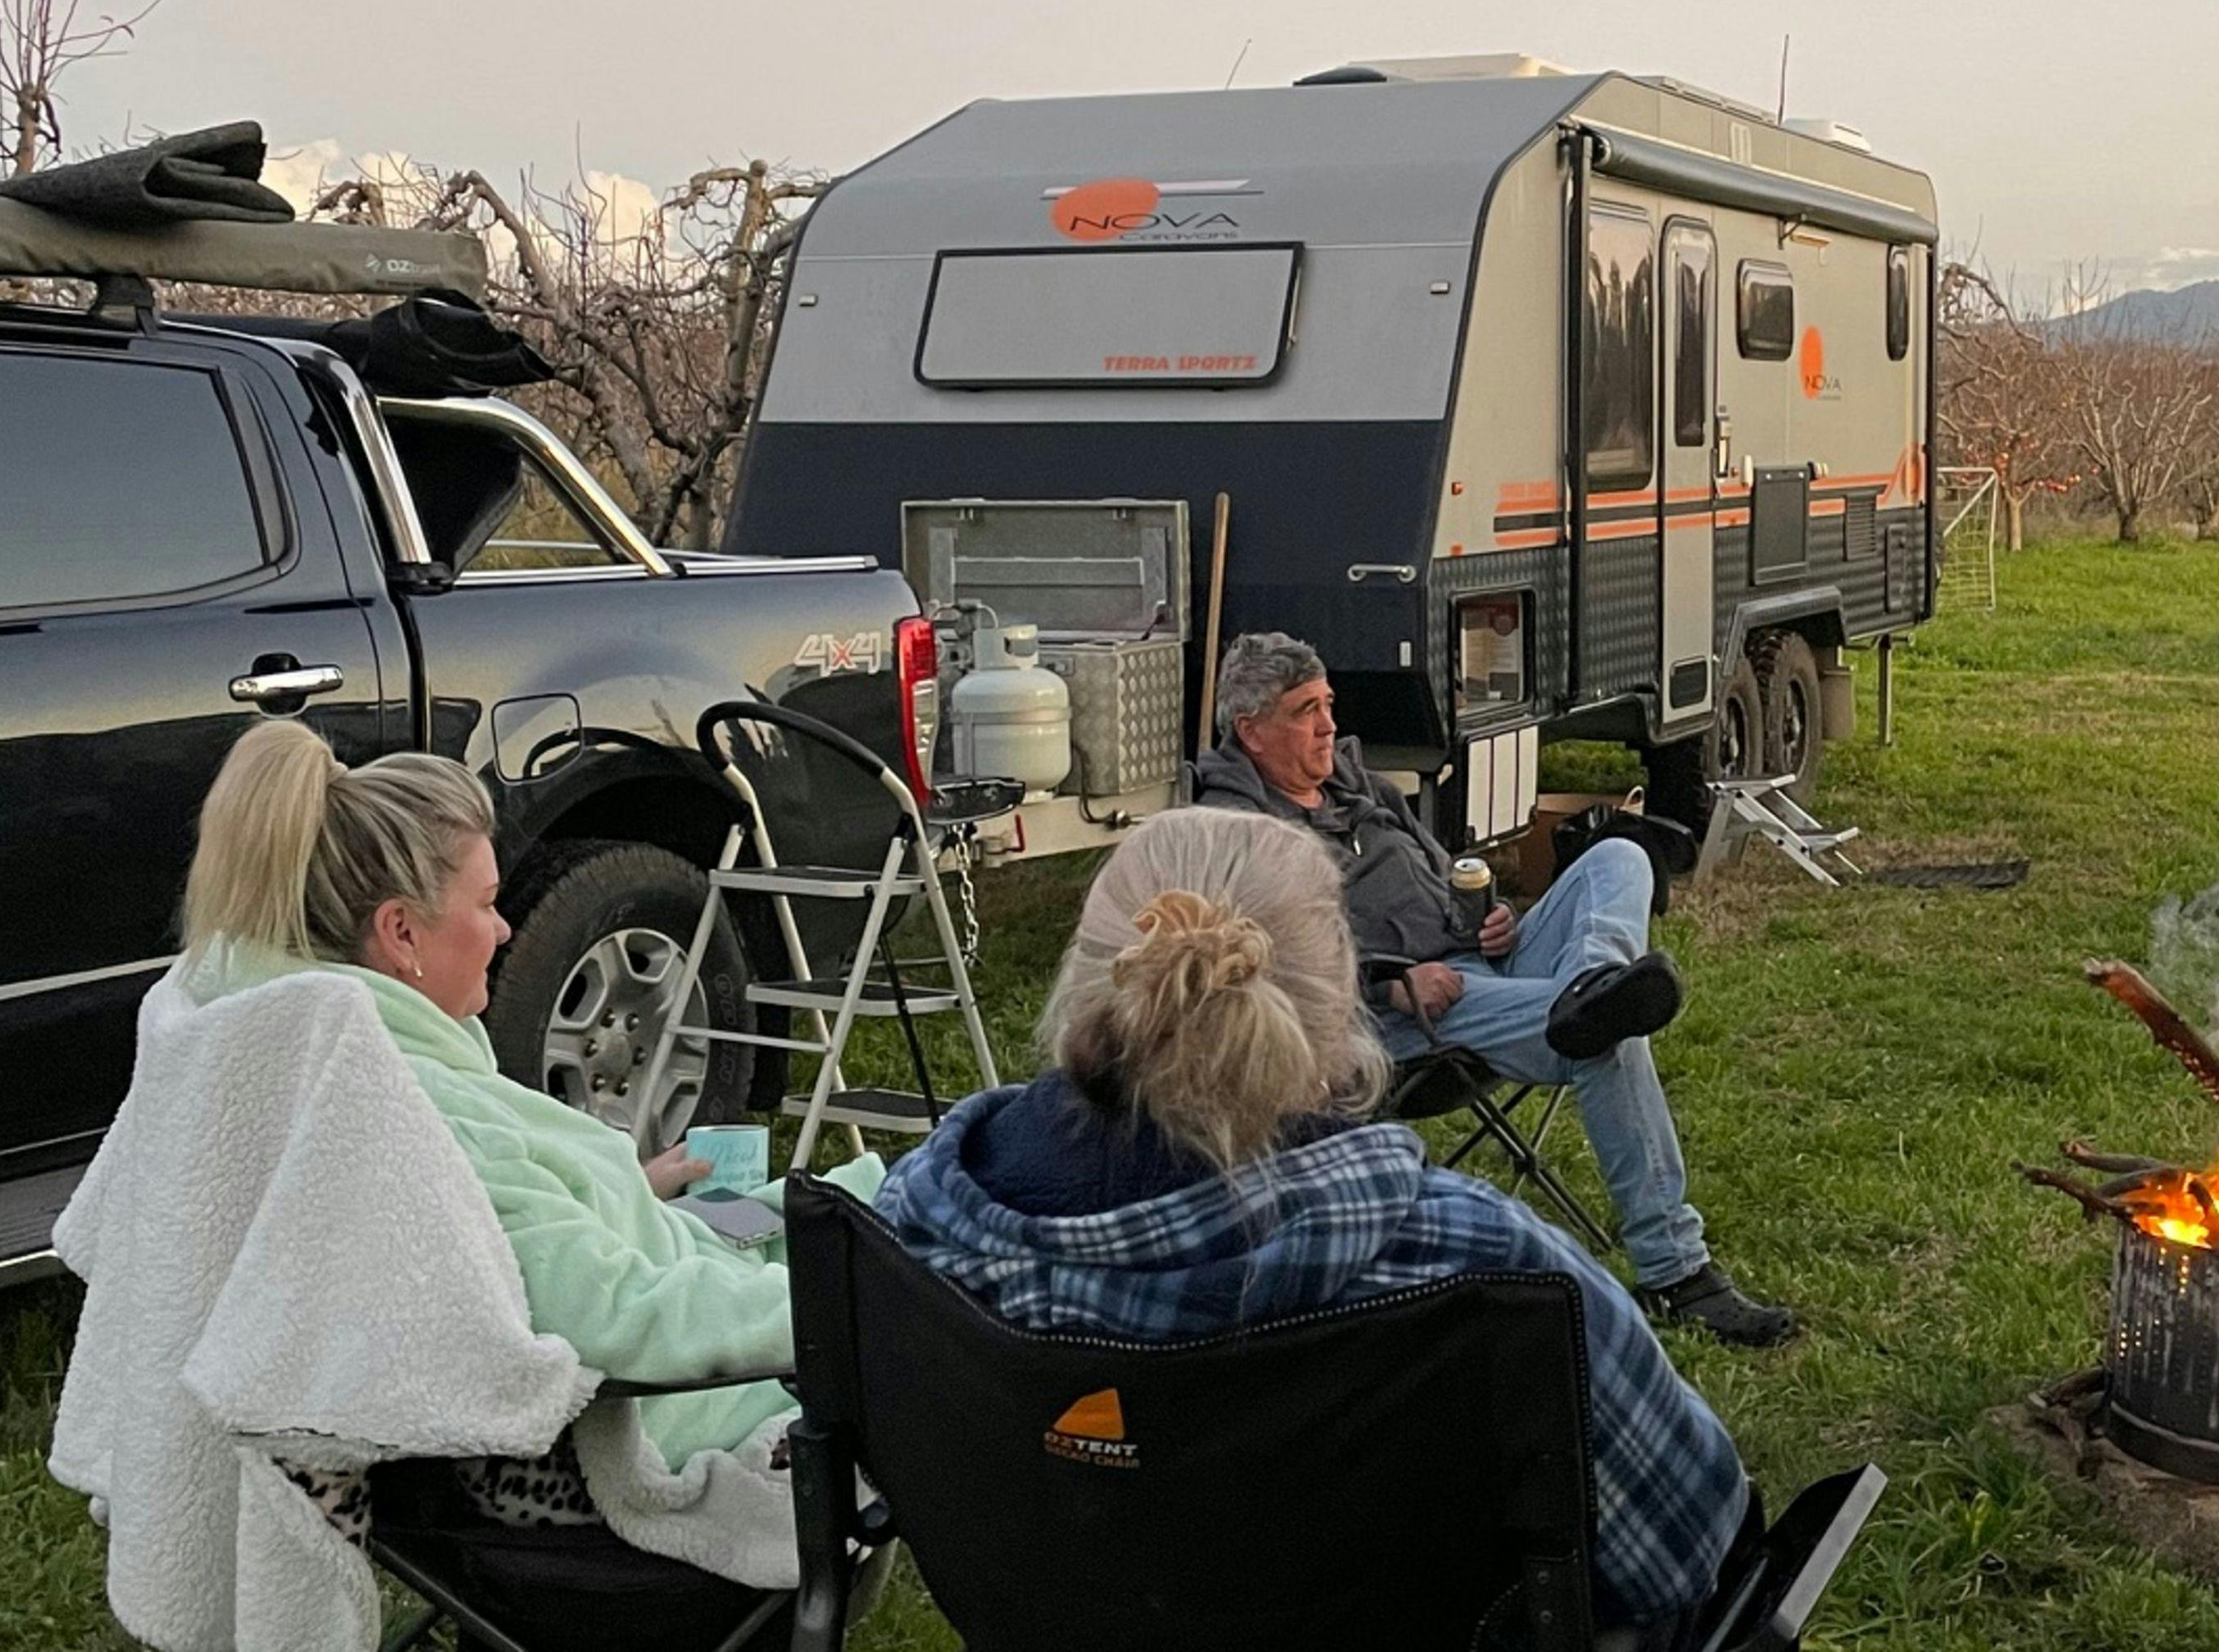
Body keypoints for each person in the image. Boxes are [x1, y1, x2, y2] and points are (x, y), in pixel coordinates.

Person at [874, 807, 1751, 1630]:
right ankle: (1584, 1002)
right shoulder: (1482, 1265)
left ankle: (1588, 987)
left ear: (1085, 985)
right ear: (1339, 1012)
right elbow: (1691, 1549)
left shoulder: (913, 1230)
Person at [175, 720, 888, 1465]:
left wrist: (625, 1190)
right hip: (705, 1398)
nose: (506, 926)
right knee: (940, 1263)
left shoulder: (371, 1070)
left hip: (686, 1264)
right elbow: (615, 1310)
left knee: (881, 1204)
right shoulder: (419, 1114)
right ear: (402, 934)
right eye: (485, 904)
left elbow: (538, 1241)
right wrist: (849, 1309)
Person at [1189, 632, 1796, 1346]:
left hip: (1474, 960)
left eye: (1328, 705)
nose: (1327, 725)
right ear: (1250, 730)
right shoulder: (1236, 831)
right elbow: (1261, 965)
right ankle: (1676, 1270)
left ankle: (1589, 980)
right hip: (1401, 1014)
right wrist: (1391, 984)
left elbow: (1445, 874)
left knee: (1620, 858)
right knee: (1605, 1036)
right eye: (1304, 712)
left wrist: (1490, 914)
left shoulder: (1361, 786)